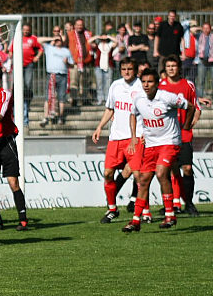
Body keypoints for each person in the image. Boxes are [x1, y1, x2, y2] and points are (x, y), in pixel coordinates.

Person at [123, 68, 192, 232]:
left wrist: (186, 126)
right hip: (151, 145)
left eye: (150, 82)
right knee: (143, 179)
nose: (146, 85)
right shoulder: (139, 99)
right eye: (144, 82)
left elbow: (190, 107)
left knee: (161, 173)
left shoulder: (167, 97)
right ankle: (135, 221)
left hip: (169, 142)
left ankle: (170, 215)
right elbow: (132, 114)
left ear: (157, 83)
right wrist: (134, 135)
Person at [92, 59, 144, 224]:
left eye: (130, 69)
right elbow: (110, 109)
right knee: (107, 173)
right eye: (123, 69)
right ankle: (112, 209)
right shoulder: (115, 85)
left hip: (134, 137)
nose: (126, 72)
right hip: (115, 138)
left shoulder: (141, 86)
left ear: (135, 70)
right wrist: (100, 126)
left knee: (138, 175)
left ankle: (142, 211)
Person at [0, 64, 28, 231]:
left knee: (13, 182)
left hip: (5, 142)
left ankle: (23, 219)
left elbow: (0, 115)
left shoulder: (5, 94)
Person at [159, 55, 200, 216]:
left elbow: (196, 108)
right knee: (169, 170)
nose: (171, 68)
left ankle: (189, 203)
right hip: (167, 135)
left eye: (173, 66)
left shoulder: (188, 85)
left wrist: (190, 125)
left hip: (184, 134)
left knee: (187, 168)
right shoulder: (161, 86)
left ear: (178, 68)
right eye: (168, 66)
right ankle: (171, 204)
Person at [39, 35, 73, 126]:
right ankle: (46, 117)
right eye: (56, 40)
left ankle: (60, 117)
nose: (58, 41)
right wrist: (52, 39)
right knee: (48, 97)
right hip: (51, 75)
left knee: (61, 98)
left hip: (62, 75)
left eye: (59, 40)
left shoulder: (66, 51)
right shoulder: (49, 48)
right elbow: (38, 40)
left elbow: (72, 65)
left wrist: (67, 63)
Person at [19, 24, 43, 127]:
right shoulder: (18, 37)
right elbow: (11, 50)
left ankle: (27, 104)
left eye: (27, 30)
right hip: (19, 65)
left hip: (29, 65)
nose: (25, 32)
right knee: (19, 86)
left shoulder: (33, 39)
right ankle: (20, 105)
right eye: (24, 30)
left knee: (28, 85)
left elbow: (41, 49)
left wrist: (37, 57)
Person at [67, 18, 93, 105]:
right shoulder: (70, 35)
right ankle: (74, 99)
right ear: (74, 26)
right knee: (74, 82)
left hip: (86, 62)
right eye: (78, 25)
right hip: (74, 63)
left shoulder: (88, 34)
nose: (79, 27)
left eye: (81, 25)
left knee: (85, 82)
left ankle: (84, 99)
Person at [195, 22, 213, 98]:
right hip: (202, 61)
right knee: (200, 81)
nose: (206, 30)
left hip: (212, 61)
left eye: (207, 28)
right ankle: (200, 98)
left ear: (210, 29)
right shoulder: (198, 36)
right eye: (204, 28)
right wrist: (200, 28)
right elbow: (192, 30)